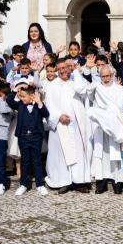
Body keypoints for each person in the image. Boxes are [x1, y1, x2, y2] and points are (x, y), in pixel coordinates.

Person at [44, 59, 91, 193]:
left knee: (77, 151)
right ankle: (63, 181)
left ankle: (78, 181)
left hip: (76, 125)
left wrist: (76, 71)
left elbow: (82, 90)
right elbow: (49, 104)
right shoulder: (52, 85)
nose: (63, 71)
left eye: (65, 68)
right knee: (61, 153)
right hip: (60, 124)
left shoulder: (75, 81)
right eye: (60, 69)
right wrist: (59, 116)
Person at [85, 64, 123, 195]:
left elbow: (120, 107)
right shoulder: (96, 88)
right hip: (100, 125)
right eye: (102, 76)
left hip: (114, 124)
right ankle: (101, 183)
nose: (105, 78)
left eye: (107, 76)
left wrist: (109, 117)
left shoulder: (121, 90)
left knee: (116, 154)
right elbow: (87, 92)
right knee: (101, 154)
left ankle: (117, 182)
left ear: (112, 75)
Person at [8, 83, 50, 196]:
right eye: (20, 97)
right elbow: (9, 101)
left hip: (36, 138)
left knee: (36, 161)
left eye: (24, 96)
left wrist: (39, 102)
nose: (22, 99)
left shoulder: (38, 105)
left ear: (31, 96)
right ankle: (23, 184)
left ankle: (40, 185)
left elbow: (46, 114)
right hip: (23, 137)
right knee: (25, 162)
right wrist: (14, 92)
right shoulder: (20, 105)